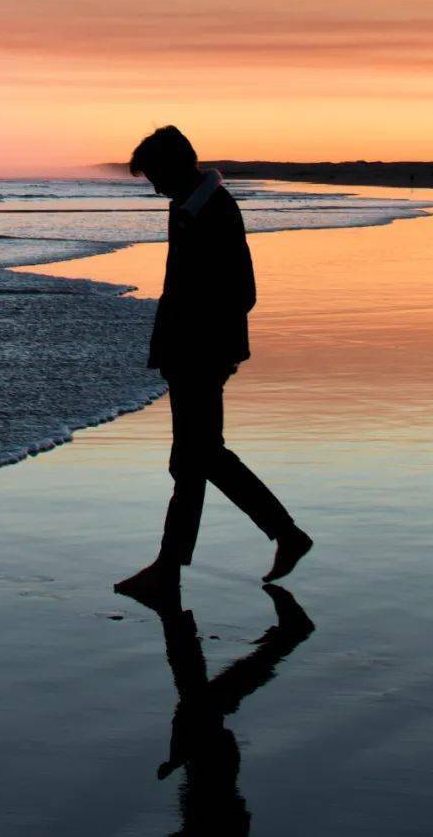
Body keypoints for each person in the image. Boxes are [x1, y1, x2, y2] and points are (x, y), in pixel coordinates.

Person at [115, 126, 313, 596]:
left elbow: (241, 291)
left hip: (202, 353)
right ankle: (170, 567)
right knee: (193, 460)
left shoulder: (212, 210)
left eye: (157, 176)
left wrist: (202, 345)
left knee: (201, 457)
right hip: (189, 351)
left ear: (179, 165)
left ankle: (285, 534)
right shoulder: (187, 206)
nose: (156, 187)